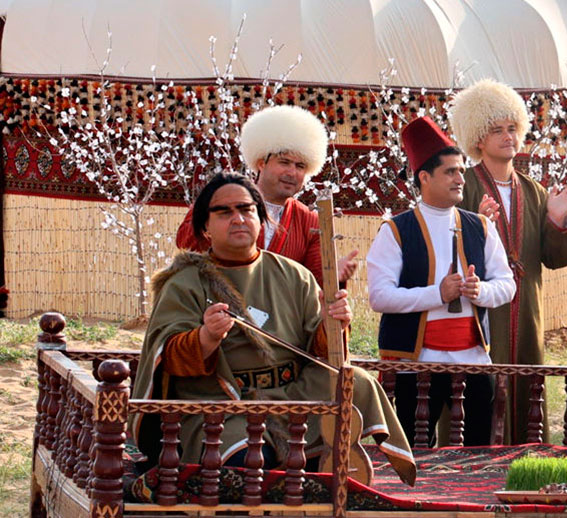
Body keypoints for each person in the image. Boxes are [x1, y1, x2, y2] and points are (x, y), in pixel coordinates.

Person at [130, 173, 415, 485]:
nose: (238, 219)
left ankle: (326, 466)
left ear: (261, 218)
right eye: (224, 212)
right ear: (205, 228)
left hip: (290, 397)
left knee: (354, 380)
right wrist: (206, 337)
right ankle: (293, 471)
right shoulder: (183, 283)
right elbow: (166, 357)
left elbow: (322, 353)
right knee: (247, 459)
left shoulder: (294, 275)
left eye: (246, 209)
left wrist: (332, 324)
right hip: (224, 406)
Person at [366, 116, 516, 446]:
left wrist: (481, 290)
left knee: (478, 449)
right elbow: (379, 296)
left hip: (472, 359)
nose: (460, 178)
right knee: (413, 447)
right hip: (415, 361)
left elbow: (507, 284)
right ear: (424, 177)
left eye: (461, 170)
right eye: (450, 172)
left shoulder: (480, 226)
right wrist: (438, 293)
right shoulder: (395, 230)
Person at [449, 79, 567, 444]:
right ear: (478, 138)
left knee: (527, 391)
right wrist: (477, 225)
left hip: (527, 312)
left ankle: (526, 457)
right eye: (497, 130)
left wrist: (557, 221)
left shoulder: (535, 191)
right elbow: (446, 252)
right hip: (482, 311)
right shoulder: (464, 187)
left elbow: (557, 259)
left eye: (512, 128)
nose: (508, 137)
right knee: (480, 393)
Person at [175, 105, 359, 286]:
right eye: (284, 162)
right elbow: (186, 245)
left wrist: (335, 276)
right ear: (261, 163)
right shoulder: (222, 199)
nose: (292, 172)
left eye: (300, 166)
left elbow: (314, 286)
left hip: (281, 307)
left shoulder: (309, 221)